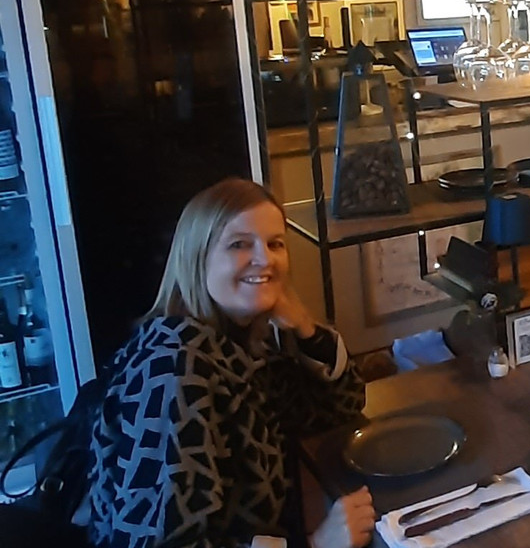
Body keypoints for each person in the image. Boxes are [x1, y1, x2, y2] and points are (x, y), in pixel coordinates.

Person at [88, 178, 375, 548]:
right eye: (239, 244)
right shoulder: (175, 369)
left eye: (275, 244)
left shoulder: (238, 345)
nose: (265, 259)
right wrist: (316, 544)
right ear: (197, 258)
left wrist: (305, 327)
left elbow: (337, 410)